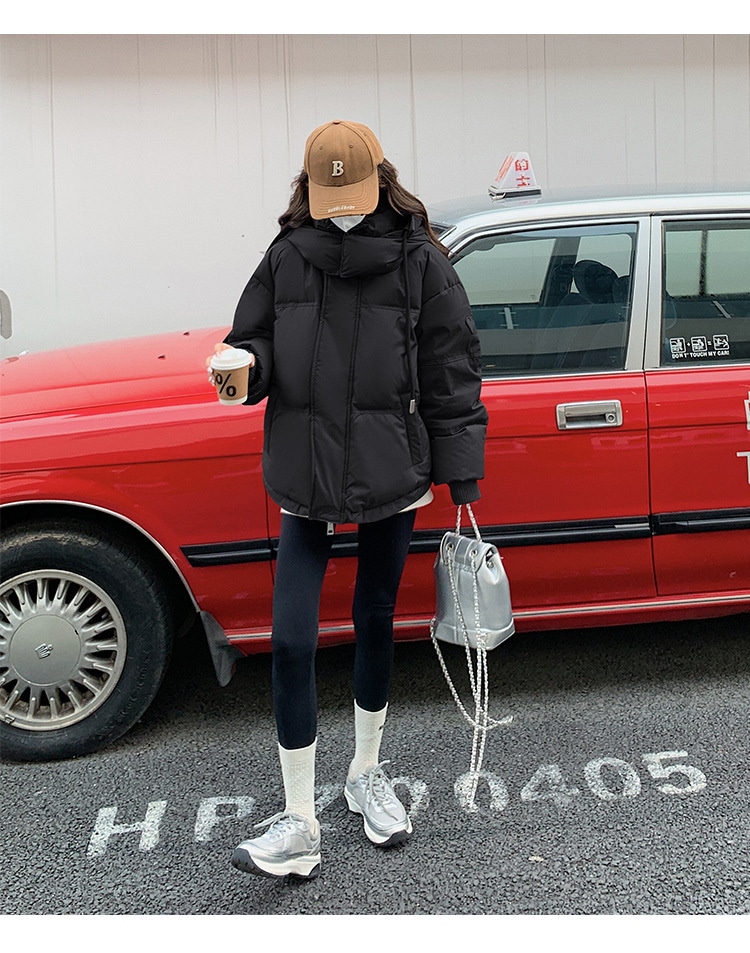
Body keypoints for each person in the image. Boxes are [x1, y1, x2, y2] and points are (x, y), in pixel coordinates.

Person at [207, 119, 487, 880]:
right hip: (305, 474)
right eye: (328, 196)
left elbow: (452, 369)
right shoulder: (286, 256)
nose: (342, 210)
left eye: (353, 194)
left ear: (380, 182)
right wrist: (244, 368)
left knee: (373, 620)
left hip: (392, 471)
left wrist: (461, 475)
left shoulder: (421, 261)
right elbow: (256, 339)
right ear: (308, 188)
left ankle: (366, 771)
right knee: (292, 639)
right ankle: (299, 820)